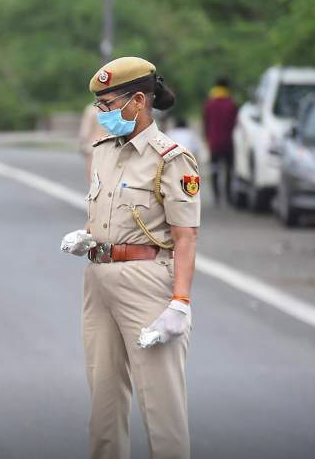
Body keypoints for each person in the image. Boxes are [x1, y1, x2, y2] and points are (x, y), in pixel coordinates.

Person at [60, 57, 200, 459]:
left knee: (162, 410)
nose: (100, 114)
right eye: (97, 106)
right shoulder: (104, 150)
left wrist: (180, 304)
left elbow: (185, 236)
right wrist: (85, 236)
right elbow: (108, 215)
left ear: (138, 100)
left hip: (148, 282)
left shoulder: (171, 159)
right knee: (103, 408)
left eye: (107, 104)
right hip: (99, 279)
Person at [202, 77, 238, 205]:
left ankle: (216, 196)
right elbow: (235, 124)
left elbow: (205, 124)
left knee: (215, 169)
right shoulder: (232, 104)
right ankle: (227, 195)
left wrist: (206, 138)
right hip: (228, 143)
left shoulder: (209, 104)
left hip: (214, 143)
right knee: (229, 170)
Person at [79, 102, 108, 183]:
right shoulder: (112, 108)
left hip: (93, 146)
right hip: (109, 144)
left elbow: (85, 132)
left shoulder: (91, 109)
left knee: (93, 179)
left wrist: (82, 146)